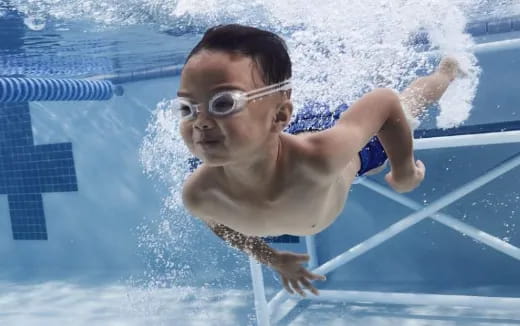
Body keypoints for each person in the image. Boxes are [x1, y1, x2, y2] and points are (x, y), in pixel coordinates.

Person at [178, 24, 460, 297]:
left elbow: (385, 101)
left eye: (224, 103)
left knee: (407, 107)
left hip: (330, 143)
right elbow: (219, 226)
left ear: (279, 115)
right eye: (187, 108)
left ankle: (446, 72)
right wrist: (272, 259)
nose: (200, 122)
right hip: (277, 133)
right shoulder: (199, 195)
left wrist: (404, 171)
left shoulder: (320, 158)